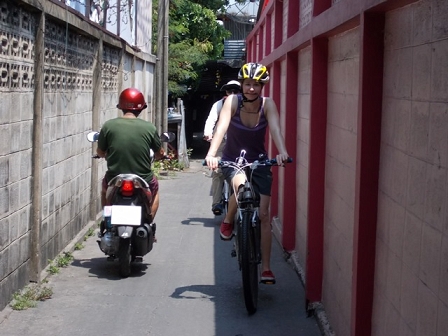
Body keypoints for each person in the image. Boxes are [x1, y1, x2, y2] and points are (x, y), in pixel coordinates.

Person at [205, 63, 290, 284]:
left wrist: (282, 153)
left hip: (260, 162)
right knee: (242, 188)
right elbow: (222, 127)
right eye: (247, 84)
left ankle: (267, 269)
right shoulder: (232, 102)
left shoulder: (267, 105)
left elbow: (276, 129)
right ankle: (229, 219)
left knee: (263, 215)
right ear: (242, 85)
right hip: (234, 160)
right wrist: (212, 153)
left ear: (262, 86)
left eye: (256, 85)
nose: (251, 88)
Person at [96, 88, 165, 236]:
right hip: (143, 179)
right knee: (155, 190)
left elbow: (100, 152)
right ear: (141, 107)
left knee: (103, 190)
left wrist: (107, 155)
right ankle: (149, 222)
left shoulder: (108, 125)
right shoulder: (149, 127)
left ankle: (107, 219)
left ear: (120, 106)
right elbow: (159, 153)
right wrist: (159, 156)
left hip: (115, 178)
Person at [203, 80, 241, 215]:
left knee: (239, 170)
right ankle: (217, 203)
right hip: (221, 140)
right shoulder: (219, 104)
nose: (231, 94)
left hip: (238, 141)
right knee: (217, 171)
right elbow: (211, 119)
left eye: (235, 91)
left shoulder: (245, 104)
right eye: (229, 91)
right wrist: (208, 133)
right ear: (225, 92)